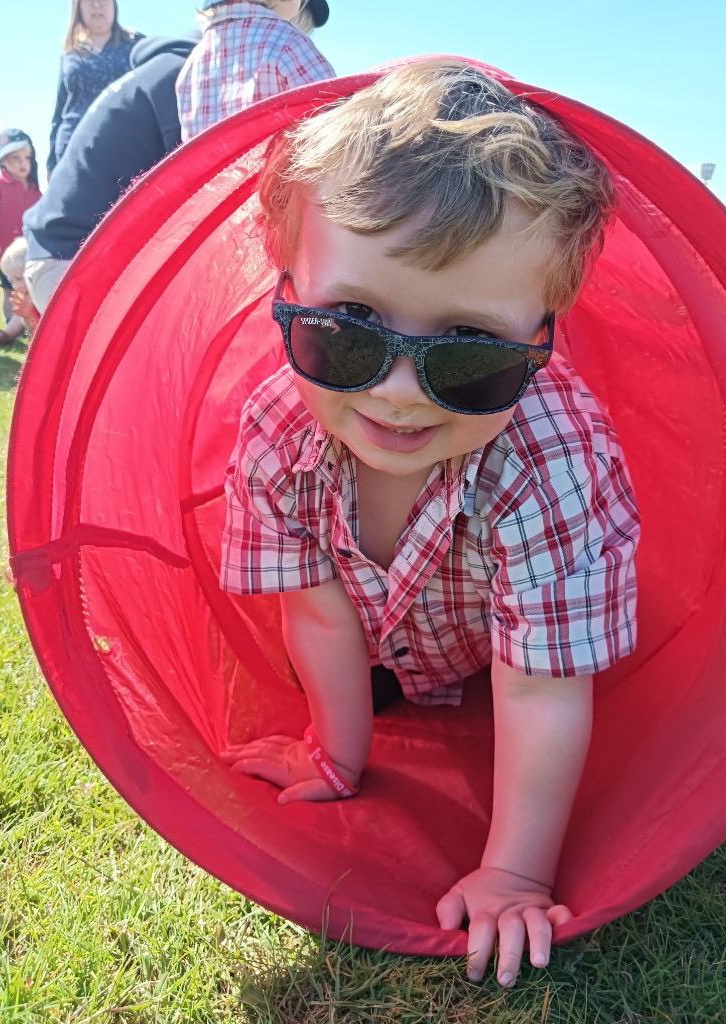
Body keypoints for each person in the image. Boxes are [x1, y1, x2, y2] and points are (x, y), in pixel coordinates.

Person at [218, 60, 641, 987]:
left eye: (471, 355)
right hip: (387, 641)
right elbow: (317, 609)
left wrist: (514, 871)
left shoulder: (550, 456)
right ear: (284, 290)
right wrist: (337, 752)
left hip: (508, 657)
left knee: (524, 674)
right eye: (347, 331)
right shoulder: (280, 430)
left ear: (543, 335)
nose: (397, 393)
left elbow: (540, 686)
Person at [24, 36, 197, 315]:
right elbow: (195, 191)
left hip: (54, 254)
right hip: (73, 263)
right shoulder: (180, 77)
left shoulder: (149, 75)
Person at [176, 0, 334, 142]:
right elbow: (335, 115)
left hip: (219, 174)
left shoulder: (192, 64)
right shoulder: (288, 43)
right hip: (280, 172)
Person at [47, 0, 144, 175]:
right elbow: (60, 109)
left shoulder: (136, 44)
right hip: (72, 154)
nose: (97, 5)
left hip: (125, 150)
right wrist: (51, 164)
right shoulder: (70, 51)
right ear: (78, 6)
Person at [0, 131, 41, 345]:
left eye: (26, 158)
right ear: (3, 161)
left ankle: (30, 324)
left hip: (30, 253)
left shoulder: (36, 191)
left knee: (31, 288)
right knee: (9, 288)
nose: (22, 163)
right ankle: (11, 324)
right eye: (15, 158)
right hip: (7, 254)